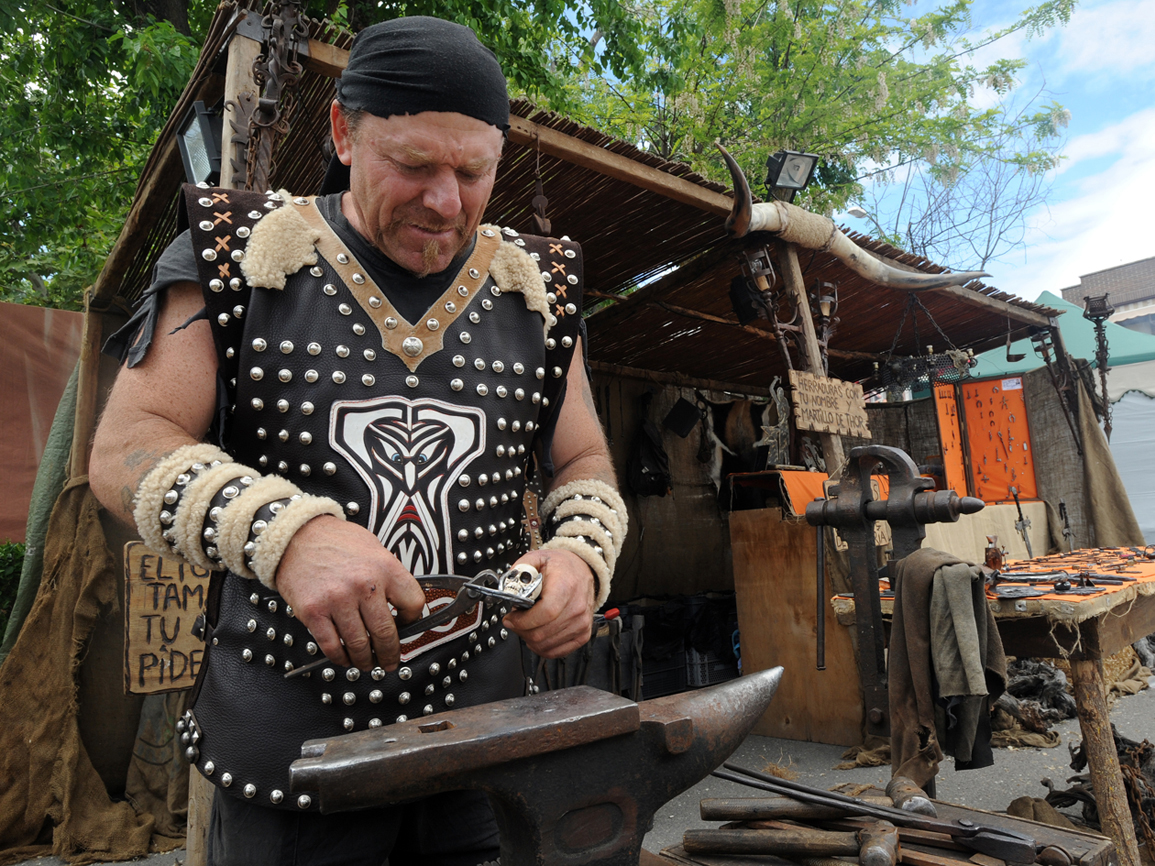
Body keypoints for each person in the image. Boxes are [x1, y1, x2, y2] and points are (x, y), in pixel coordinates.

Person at [89, 16, 626, 866]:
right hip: (291, 753)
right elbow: (125, 450)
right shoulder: (239, 253)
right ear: (343, 131)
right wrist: (286, 533)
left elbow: (584, 460)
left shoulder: (535, 287)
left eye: (472, 172)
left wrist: (581, 555)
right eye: (412, 165)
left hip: (485, 744)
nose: (444, 200)